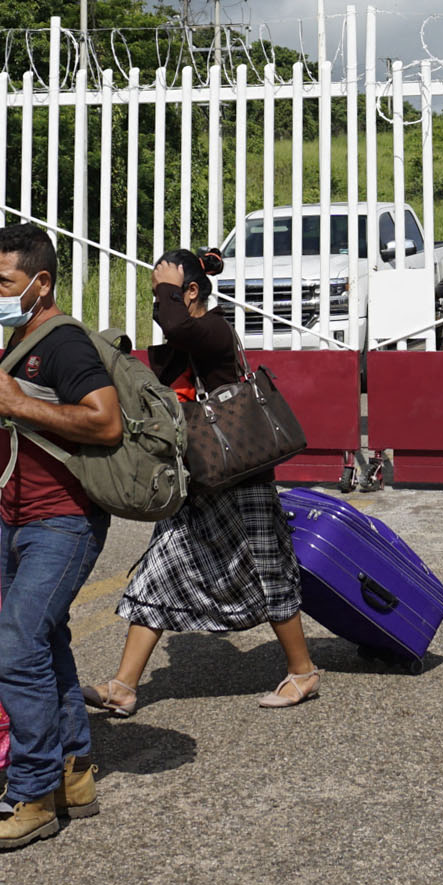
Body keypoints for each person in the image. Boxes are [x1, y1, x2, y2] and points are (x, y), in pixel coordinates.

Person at [84, 249, 319, 716]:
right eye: (155, 294)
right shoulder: (187, 340)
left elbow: (179, 328)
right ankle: (124, 686)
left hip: (241, 474)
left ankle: (303, 671)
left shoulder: (213, 327)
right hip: (202, 476)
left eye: (166, 293)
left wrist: (173, 296)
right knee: (158, 570)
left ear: (191, 292)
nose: (158, 303)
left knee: (268, 567)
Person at [0, 223, 122, 853]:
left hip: (65, 524)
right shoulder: (19, 342)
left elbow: (103, 422)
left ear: (40, 283)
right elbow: (37, 438)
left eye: (3, 278)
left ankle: (31, 795)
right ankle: (74, 773)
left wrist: (20, 404)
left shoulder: (62, 343)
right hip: (24, 518)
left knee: (12, 651)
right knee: (47, 647)